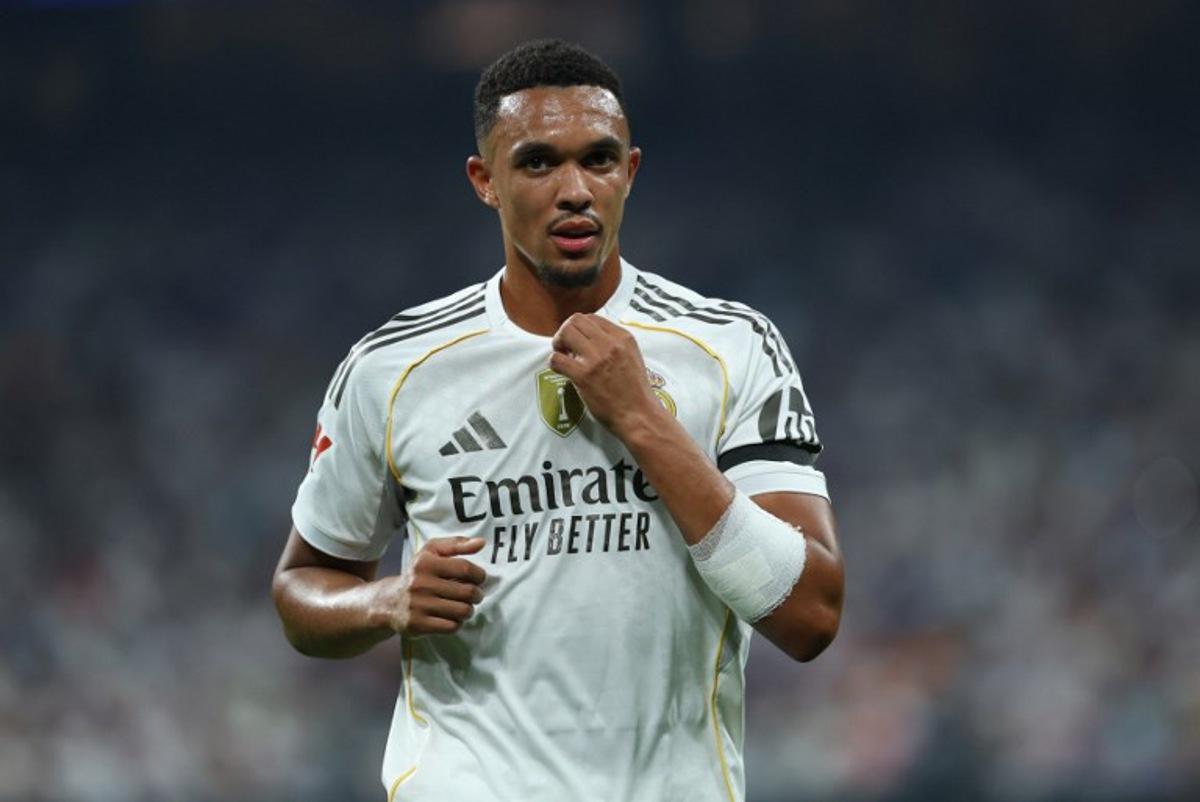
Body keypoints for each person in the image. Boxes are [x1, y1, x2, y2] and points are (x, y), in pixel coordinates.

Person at [272, 38, 844, 802]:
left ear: (630, 172)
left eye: (599, 160)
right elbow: (302, 588)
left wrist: (642, 417)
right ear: (485, 181)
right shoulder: (392, 366)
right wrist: (385, 600)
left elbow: (808, 615)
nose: (575, 189)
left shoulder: (731, 347)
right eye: (539, 162)